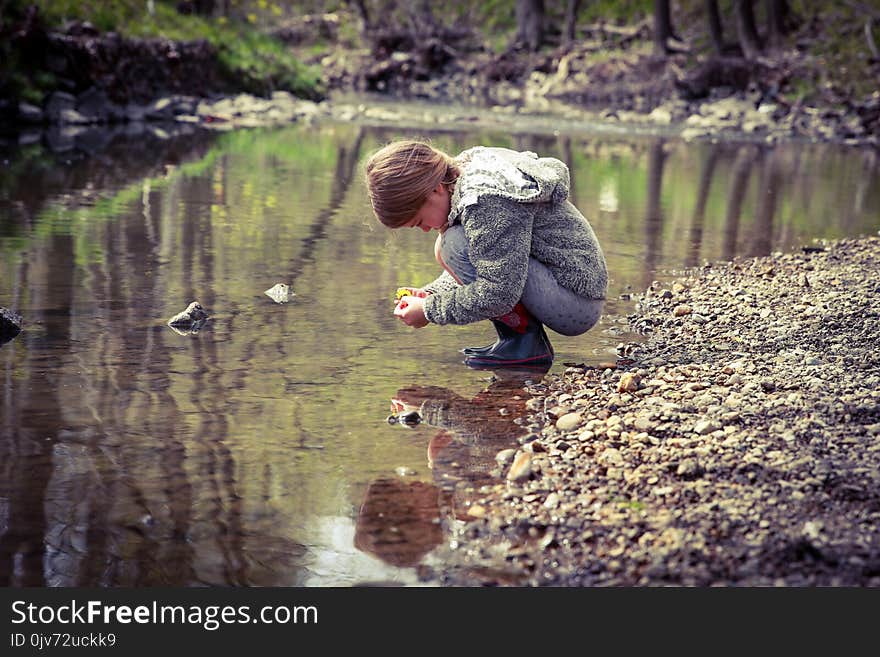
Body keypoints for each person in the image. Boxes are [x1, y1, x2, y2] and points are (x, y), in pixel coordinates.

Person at [365, 139, 607, 369]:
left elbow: (498, 291)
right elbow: (493, 260)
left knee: (451, 244)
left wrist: (429, 310)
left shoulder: (484, 201)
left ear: (436, 190)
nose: (426, 229)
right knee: (450, 244)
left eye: (419, 222)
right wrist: (431, 293)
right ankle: (518, 343)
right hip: (564, 287)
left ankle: (526, 346)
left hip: (575, 301)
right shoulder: (464, 175)